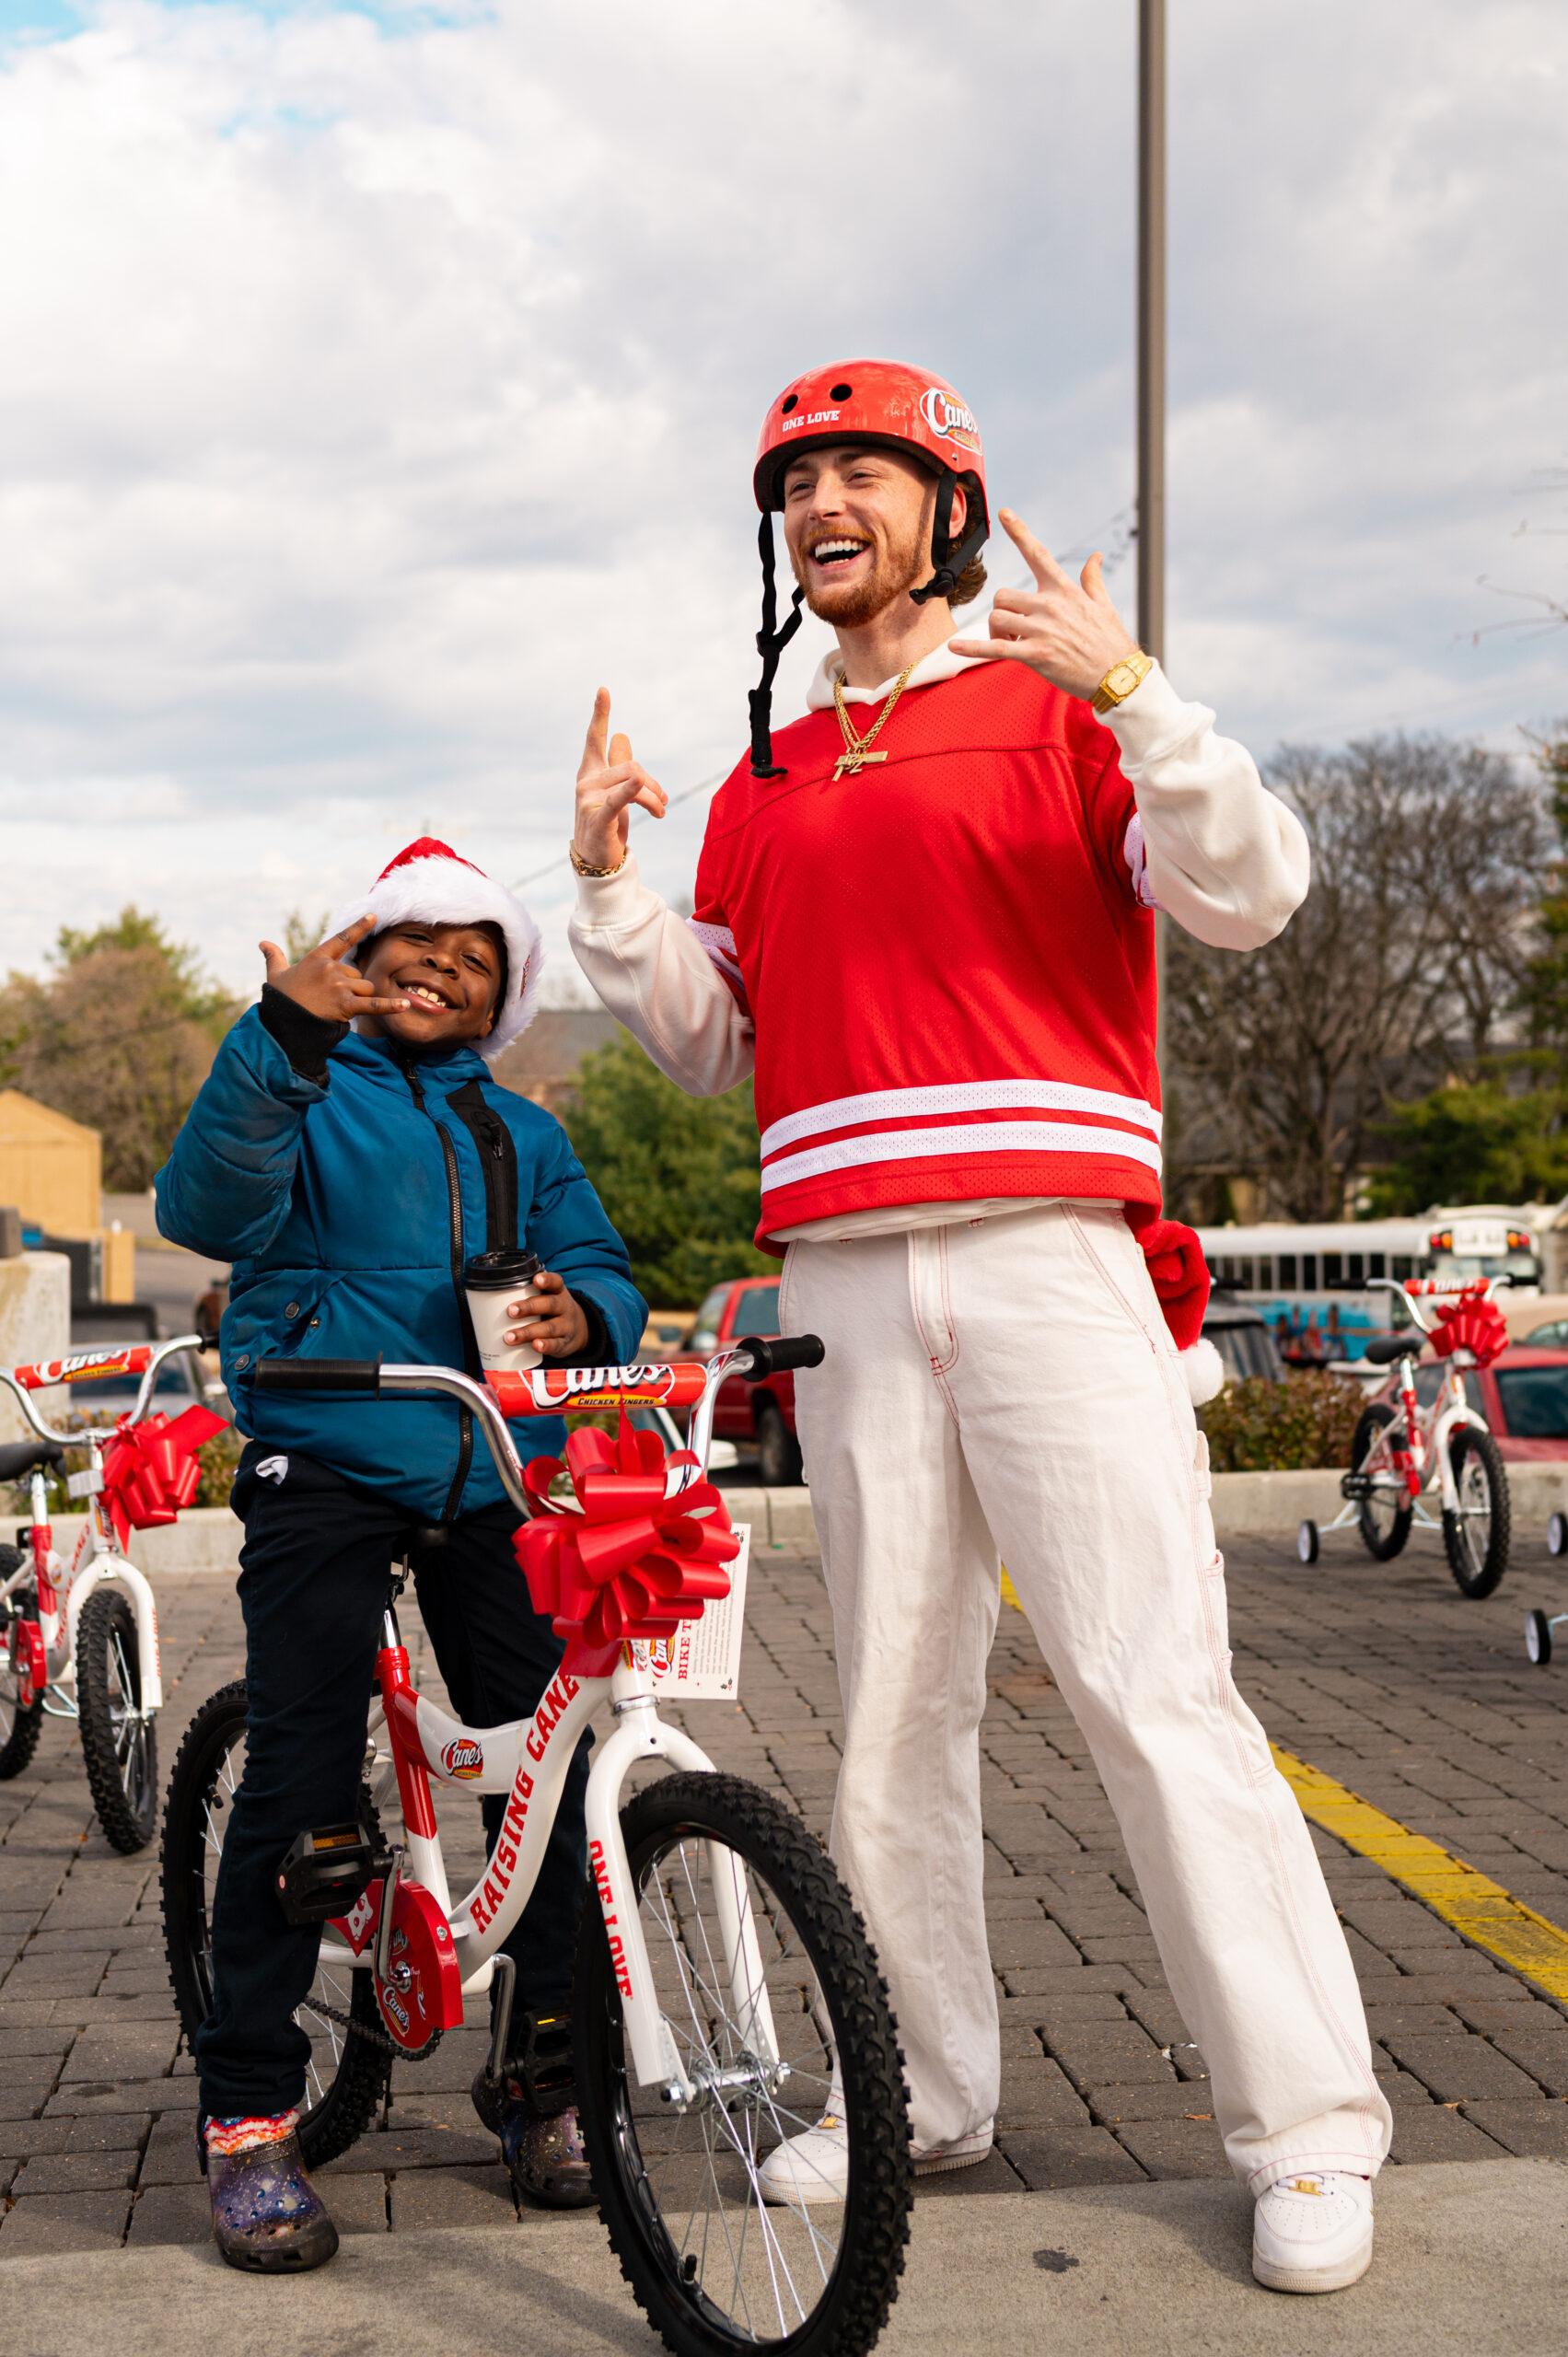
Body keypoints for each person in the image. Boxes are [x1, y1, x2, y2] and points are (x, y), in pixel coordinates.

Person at [566, 361, 1391, 2296]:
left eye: (863, 468)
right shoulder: (760, 785)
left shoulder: (1059, 708)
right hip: (845, 1275)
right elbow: (709, 1038)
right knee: (894, 1711)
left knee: (1150, 1685)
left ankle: (1308, 2126)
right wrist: (606, 880)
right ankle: (924, 2091)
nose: (823, 502)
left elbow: (1255, 893)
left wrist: (1142, 693)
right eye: (796, 482)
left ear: (947, 505)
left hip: (1047, 1251)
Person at [155, 838, 645, 2271]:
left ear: (503, 996)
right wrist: (281, 1039)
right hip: (327, 1451)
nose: (442, 963)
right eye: (411, 942)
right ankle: (249, 2113)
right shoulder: (301, 1088)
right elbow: (204, 1208)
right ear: (358, 968)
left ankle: (543, 2082)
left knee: (545, 1778)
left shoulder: (522, 1131)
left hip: (492, 1463)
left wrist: (582, 1314)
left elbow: (599, 1262)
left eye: (475, 952)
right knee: (303, 1781)